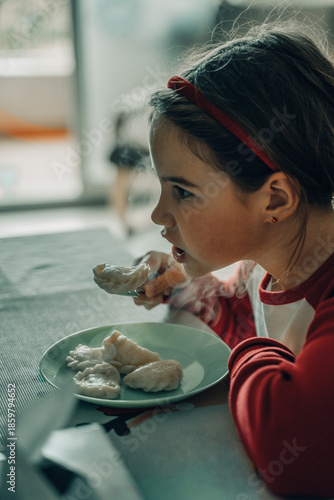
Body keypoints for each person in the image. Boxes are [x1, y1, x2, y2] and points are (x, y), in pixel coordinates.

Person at [132, 21, 334, 498]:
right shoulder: (270, 260)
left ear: (275, 199)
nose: (158, 214)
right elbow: (248, 311)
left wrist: (254, 354)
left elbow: (298, 453)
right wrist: (185, 287)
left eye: (182, 191)